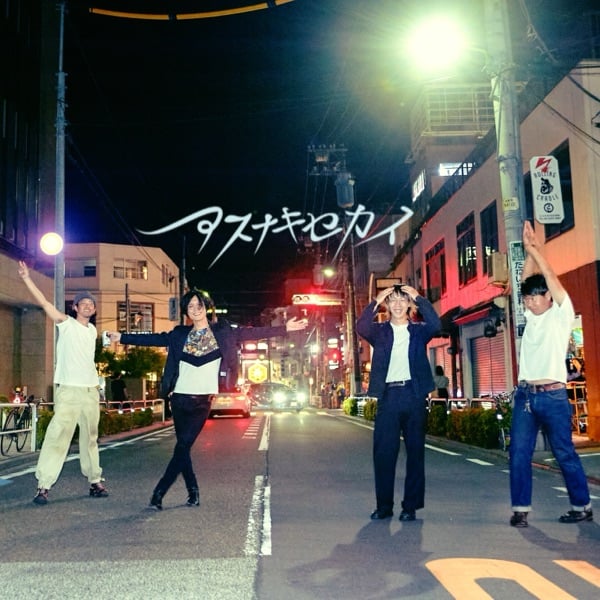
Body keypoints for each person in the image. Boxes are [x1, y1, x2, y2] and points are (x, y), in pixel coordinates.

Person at [108, 288, 307, 510]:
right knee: (183, 448)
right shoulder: (179, 334)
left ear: (206, 307)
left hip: (202, 401)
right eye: (190, 306)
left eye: (199, 305)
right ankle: (193, 491)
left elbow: (250, 333)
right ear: (186, 311)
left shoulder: (223, 331)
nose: (195, 310)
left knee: (183, 446)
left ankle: (159, 493)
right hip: (179, 399)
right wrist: (122, 337)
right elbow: (155, 339)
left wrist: (284, 328)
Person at [509, 221, 592, 527]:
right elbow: (526, 280)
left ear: (547, 297)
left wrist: (538, 251)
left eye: (534, 298)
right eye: (526, 299)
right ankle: (520, 509)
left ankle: (582, 506)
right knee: (518, 452)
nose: (529, 303)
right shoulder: (531, 317)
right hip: (525, 396)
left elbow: (552, 279)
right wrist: (528, 250)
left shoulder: (561, 315)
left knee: (564, 452)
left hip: (554, 396)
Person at [17, 261, 108, 505]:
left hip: (90, 391)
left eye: (91, 304)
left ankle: (95, 480)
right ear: (75, 307)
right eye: (83, 303)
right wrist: (27, 278)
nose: (88, 306)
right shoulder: (66, 324)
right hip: (68, 390)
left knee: (90, 438)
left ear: (94, 309)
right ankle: (44, 485)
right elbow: (46, 304)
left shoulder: (92, 331)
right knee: (58, 436)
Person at [357, 284, 441, 522]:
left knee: (415, 453)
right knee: (384, 454)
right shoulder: (379, 332)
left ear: (409, 304)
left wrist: (418, 296)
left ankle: (410, 507)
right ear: (387, 304)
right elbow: (361, 326)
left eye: (402, 300)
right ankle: (384, 506)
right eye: (392, 300)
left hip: (414, 395)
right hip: (388, 396)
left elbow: (436, 324)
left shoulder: (419, 331)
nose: (397, 304)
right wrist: (376, 300)